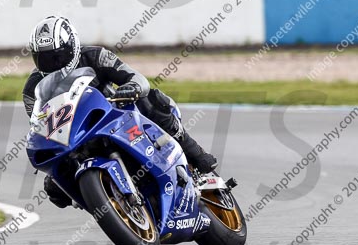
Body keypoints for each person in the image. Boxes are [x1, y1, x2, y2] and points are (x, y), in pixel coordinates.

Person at [22, 16, 218, 208]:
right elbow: (40, 125)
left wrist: (131, 88)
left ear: (73, 47)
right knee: (54, 188)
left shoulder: (95, 56)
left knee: (152, 100)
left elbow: (138, 79)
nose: (53, 64)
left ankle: (194, 152)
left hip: (116, 116)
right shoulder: (32, 89)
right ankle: (110, 204)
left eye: (58, 56)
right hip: (75, 137)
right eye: (44, 59)